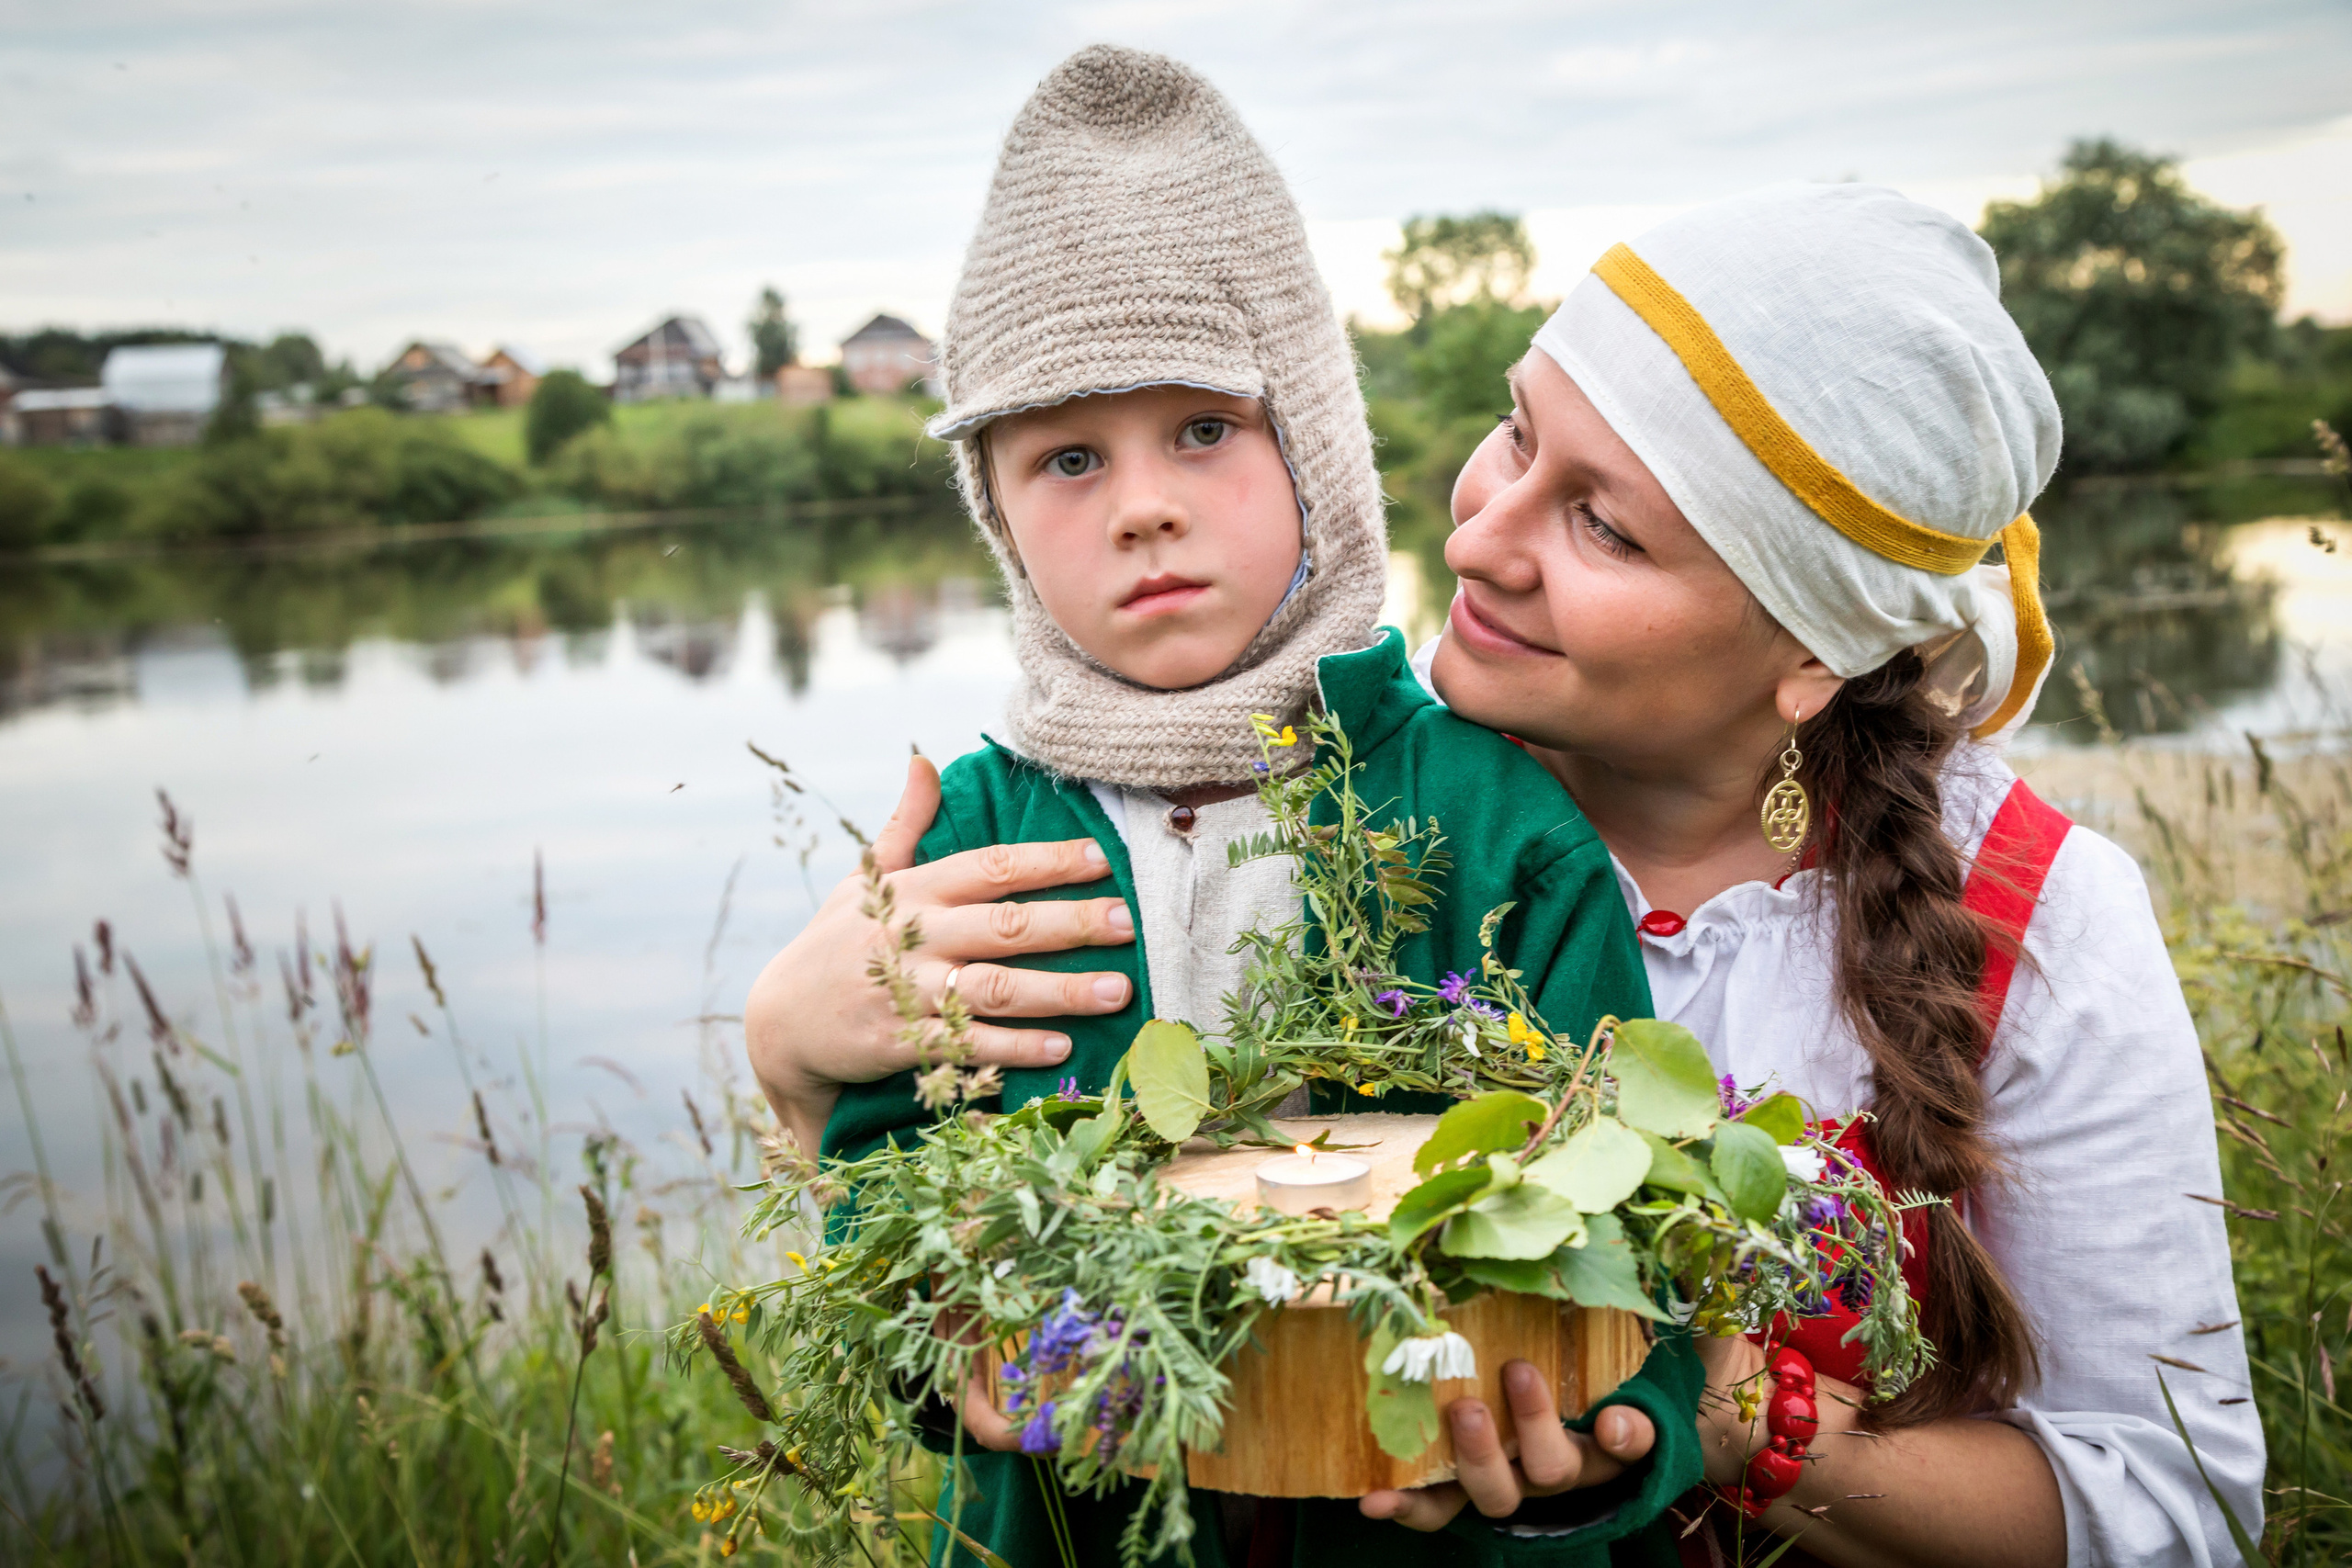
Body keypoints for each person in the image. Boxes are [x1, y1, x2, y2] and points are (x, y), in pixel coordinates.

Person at [750, 175, 2267, 1566]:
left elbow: (2174, 1509)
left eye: (1602, 525)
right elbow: (1026, 1205)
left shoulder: (2039, 918)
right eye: (1518, 435)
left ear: (1815, 650)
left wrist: (1704, 1401)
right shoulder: (1307, 789)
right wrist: (798, 1071)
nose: (1479, 540)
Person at [766, 45, 1703, 1568]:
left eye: (1202, 429)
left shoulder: (1487, 821)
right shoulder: (969, 848)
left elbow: (1646, 1238)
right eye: (1067, 456)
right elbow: (885, 1181)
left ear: (1315, 450)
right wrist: (944, 1349)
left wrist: (1599, 1457)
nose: (1143, 502)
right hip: (1078, 1523)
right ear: (998, 519)